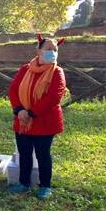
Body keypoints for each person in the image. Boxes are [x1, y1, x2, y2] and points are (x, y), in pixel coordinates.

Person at [7, 35, 66, 200]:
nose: (52, 53)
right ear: (39, 50)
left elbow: (54, 97)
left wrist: (31, 113)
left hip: (44, 121)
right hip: (22, 120)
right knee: (24, 153)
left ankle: (45, 186)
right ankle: (23, 183)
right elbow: (13, 90)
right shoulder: (25, 69)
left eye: (55, 49)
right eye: (49, 49)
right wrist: (19, 110)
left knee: (43, 154)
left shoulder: (57, 72)